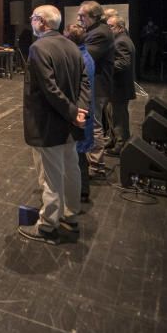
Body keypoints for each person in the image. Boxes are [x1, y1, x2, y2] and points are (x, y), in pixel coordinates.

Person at [19, 5, 89, 244]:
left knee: (52, 177)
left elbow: (49, 89)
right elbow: (84, 82)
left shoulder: (38, 48)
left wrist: (71, 112)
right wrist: (80, 111)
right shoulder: (72, 45)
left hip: (49, 123)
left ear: (42, 22)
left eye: (33, 18)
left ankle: (48, 226)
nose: (31, 21)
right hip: (70, 124)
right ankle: (70, 216)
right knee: (71, 169)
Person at [77, 1, 114, 176]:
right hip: (96, 85)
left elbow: (84, 57)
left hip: (97, 86)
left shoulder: (100, 34)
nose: (78, 19)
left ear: (94, 17)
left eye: (82, 16)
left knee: (95, 125)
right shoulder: (95, 31)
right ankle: (94, 162)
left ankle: (96, 165)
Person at [66, 24, 96, 203]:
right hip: (84, 110)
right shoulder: (85, 55)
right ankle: (81, 189)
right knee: (79, 154)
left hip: (80, 111)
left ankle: (81, 191)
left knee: (77, 155)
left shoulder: (80, 58)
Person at [106, 15, 136, 155]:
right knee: (113, 114)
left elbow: (123, 63)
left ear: (120, 27)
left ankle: (120, 145)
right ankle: (114, 140)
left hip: (119, 88)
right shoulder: (122, 39)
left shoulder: (121, 42)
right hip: (118, 87)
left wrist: (105, 67)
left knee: (119, 118)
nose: (108, 29)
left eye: (111, 26)